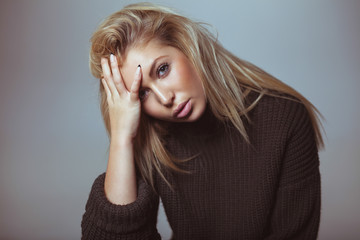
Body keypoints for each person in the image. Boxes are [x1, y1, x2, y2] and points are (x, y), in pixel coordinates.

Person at [81, 3, 323, 240]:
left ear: (188, 48)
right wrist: (122, 139)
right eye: (142, 93)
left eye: (163, 69)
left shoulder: (285, 118)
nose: (165, 98)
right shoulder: (150, 137)